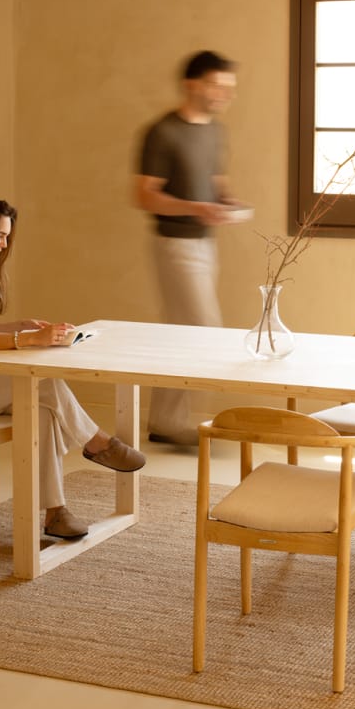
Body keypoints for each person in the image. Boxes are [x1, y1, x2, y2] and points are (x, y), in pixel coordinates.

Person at [0, 195, 145, 541]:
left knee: (41, 407)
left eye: (7, 236)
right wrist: (32, 340)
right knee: (43, 380)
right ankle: (97, 442)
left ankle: (55, 512)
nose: (4, 244)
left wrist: (25, 327)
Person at [134, 50, 245, 447]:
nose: (224, 94)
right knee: (203, 331)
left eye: (228, 87)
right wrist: (194, 208)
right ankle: (168, 419)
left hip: (206, 246)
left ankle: (166, 420)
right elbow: (145, 196)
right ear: (191, 85)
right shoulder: (162, 132)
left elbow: (216, 179)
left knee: (179, 334)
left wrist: (226, 202)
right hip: (174, 244)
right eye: (217, 85)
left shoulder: (214, 130)